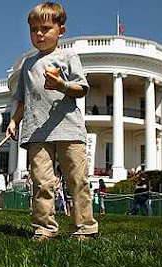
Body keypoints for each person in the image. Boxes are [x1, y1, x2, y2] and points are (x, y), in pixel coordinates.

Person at [6, 2, 98, 241]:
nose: (39, 34)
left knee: (77, 180)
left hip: (68, 129)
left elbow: (81, 89)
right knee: (42, 183)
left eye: (46, 28)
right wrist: (15, 121)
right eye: (34, 29)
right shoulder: (28, 64)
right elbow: (23, 100)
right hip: (36, 131)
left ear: (61, 30)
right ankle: (44, 228)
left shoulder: (68, 56)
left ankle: (84, 228)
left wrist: (62, 85)